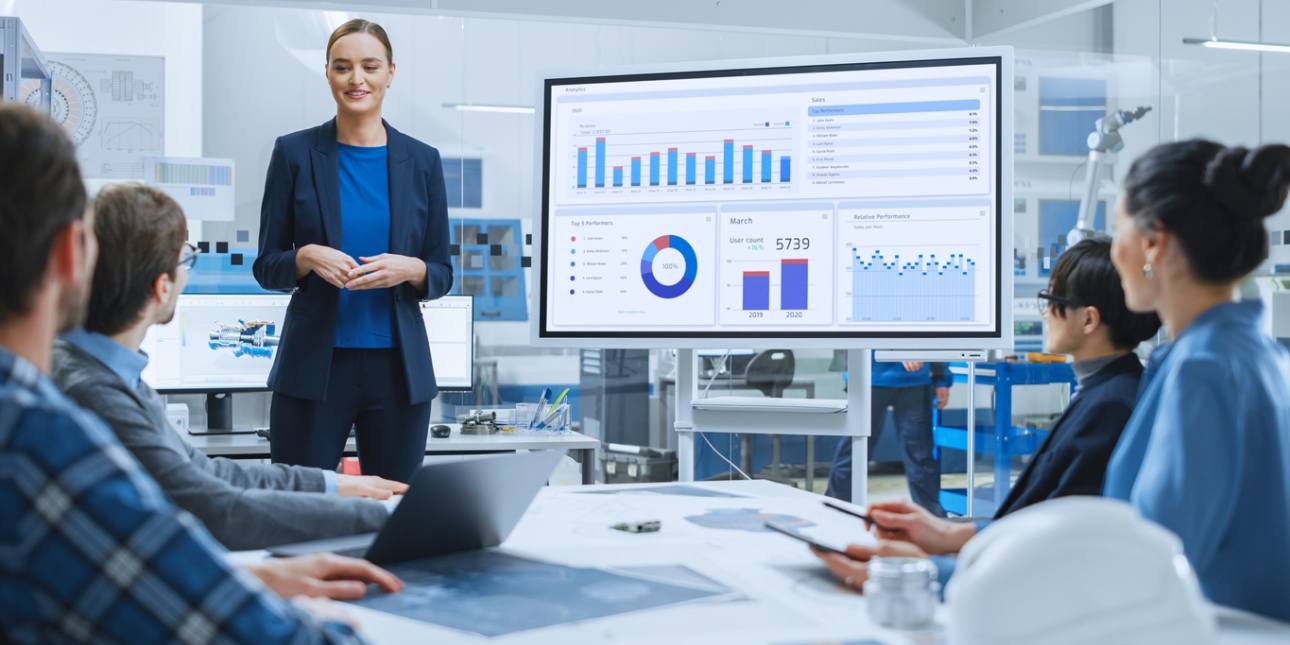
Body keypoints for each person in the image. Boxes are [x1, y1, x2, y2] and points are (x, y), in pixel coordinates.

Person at [0, 104, 401, 643]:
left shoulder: (82, 392)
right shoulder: (41, 434)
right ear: (74, 257)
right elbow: (209, 536)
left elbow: (201, 486)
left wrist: (335, 494)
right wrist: (401, 527)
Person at [52, 183, 408, 551]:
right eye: (185, 259)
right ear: (161, 288)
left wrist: (336, 485)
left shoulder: (111, 375)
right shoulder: (92, 392)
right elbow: (216, 510)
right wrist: (391, 519)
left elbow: (205, 473)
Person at [813, 238, 1161, 592]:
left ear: (1088, 319)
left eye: (1050, 301)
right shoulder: (1108, 391)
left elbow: (1054, 550)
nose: (1044, 314)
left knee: (919, 457)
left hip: (1021, 593)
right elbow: (1041, 523)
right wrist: (947, 533)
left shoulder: (1110, 408)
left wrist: (925, 572)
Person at [255, 19, 453, 482]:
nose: (356, 79)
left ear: (390, 73)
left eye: (369, 66)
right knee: (296, 507)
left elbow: (442, 273)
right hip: (313, 369)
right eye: (343, 67)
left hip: (398, 373)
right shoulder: (294, 154)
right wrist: (304, 257)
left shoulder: (422, 161)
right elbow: (267, 266)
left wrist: (412, 268)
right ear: (327, 73)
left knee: (395, 510)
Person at [1104, 141, 1290, 622]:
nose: (1113, 249)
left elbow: (1149, 570)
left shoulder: (1201, 371)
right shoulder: (1259, 355)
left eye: (1118, 228)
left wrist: (938, 574)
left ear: (1152, 241)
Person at [826, 360, 951, 516]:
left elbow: (937, 337)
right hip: (868, 375)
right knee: (854, 451)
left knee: (920, 455)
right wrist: (900, 348)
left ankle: (931, 520)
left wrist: (941, 379)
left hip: (916, 380)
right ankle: (834, 514)